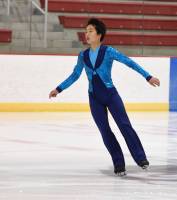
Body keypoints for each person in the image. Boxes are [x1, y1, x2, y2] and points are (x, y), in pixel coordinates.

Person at [49, 18, 160, 176]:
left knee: (124, 125)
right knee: (105, 131)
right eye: (86, 31)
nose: (86, 34)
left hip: (110, 95)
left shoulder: (109, 51)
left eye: (90, 31)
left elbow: (129, 62)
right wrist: (58, 89)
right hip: (94, 98)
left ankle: (140, 158)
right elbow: (75, 75)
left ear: (99, 34)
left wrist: (147, 76)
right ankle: (119, 164)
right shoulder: (83, 55)